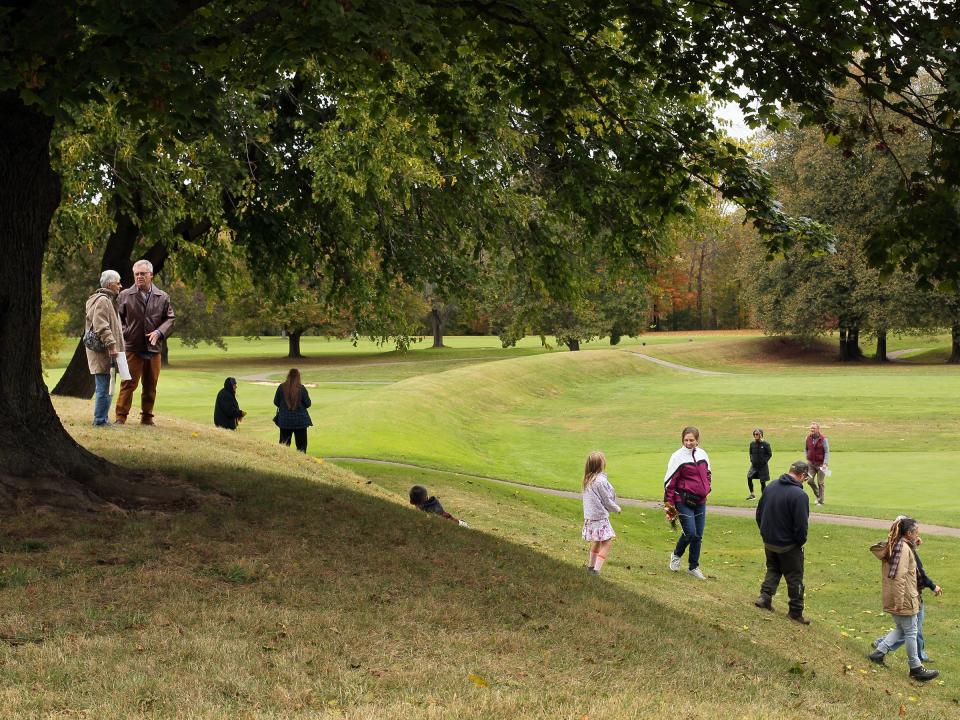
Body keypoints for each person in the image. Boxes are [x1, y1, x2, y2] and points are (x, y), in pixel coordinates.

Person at [866, 517, 939, 681]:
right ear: (909, 533)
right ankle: (916, 668)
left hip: (900, 596)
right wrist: (899, 602)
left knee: (901, 629)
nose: (918, 534)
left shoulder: (897, 545)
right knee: (911, 632)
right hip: (904, 597)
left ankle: (879, 653)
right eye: (916, 532)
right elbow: (899, 578)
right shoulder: (903, 549)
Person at [115, 259, 175, 425]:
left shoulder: (162, 297)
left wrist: (159, 332)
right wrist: (126, 332)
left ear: (151, 275)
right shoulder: (125, 295)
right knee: (128, 383)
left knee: (150, 385)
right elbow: (117, 319)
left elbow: (170, 319)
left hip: (154, 348)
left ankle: (147, 418)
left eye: (143, 274)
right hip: (132, 347)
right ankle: (120, 417)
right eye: (137, 274)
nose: (139, 277)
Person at [754, 460, 811, 624]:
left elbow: (759, 513)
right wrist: (800, 542)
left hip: (769, 541)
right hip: (788, 545)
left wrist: (765, 533)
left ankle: (765, 597)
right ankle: (795, 611)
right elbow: (801, 526)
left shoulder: (771, 486)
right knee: (795, 578)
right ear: (803, 476)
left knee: (773, 568)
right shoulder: (800, 495)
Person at [664, 426, 711, 580]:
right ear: (682, 440)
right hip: (682, 500)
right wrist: (669, 506)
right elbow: (669, 483)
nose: (689, 443)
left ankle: (693, 566)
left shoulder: (703, 454)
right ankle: (676, 555)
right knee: (690, 532)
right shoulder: (677, 457)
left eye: (692, 440)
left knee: (698, 535)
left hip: (700, 501)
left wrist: (707, 489)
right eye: (686, 440)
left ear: (697, 440)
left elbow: (708, 474)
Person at [84, 270, 124, 427]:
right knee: (104, 386)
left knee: (107, 385)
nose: (121, 286)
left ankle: (103, 419)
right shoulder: (103, 300)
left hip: (105, 352)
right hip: (105, 352)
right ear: (109, 284)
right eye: (118, 282)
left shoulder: (105, 299)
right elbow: (101, 325)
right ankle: (100, 421)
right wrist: (112, 345)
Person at [581, 451, 621, 575]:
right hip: (600, 518)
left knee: (596, 542)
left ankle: (590, 567)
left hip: (590, 517)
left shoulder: (587, 479)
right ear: (600, 465)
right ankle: (596, 570)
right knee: (607, 542)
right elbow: (606, 500)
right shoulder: (600, 481)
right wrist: (616, 508)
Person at [273, 368, 312, 452]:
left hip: (285, 421)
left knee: (284, 447)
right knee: (301, 448)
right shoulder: (301, 388)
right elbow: (308, 403)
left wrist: (284, 407)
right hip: (300, 421)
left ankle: (283, 464)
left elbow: (276, 402)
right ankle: (301, 464)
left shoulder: (281, 387)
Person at [803, 421, 829, 505]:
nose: (812, 429)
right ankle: (819, 496)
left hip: (821, 465)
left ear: (818, 429)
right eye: (811, 428)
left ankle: (820, 501)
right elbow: (806, 449)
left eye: (813, 428)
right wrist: (807, 457)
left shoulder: (823, 439)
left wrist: (825, 463)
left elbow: (827, 452)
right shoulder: (808, 438)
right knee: (809, 481)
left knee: (820, 482)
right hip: (811, 464)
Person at [746, 428, 773, 500]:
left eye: (757, 434)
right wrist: (751, 459)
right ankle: (752, 494)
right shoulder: (752, 444)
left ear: (761, 435)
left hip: (762, 466)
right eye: (754, 434)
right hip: (754, 466)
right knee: (749, 477)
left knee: (762, 482)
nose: (755, 435)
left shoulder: (766, 444)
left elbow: (769, 454)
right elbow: (751, 453)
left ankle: (764, 497)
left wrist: (764, 461)